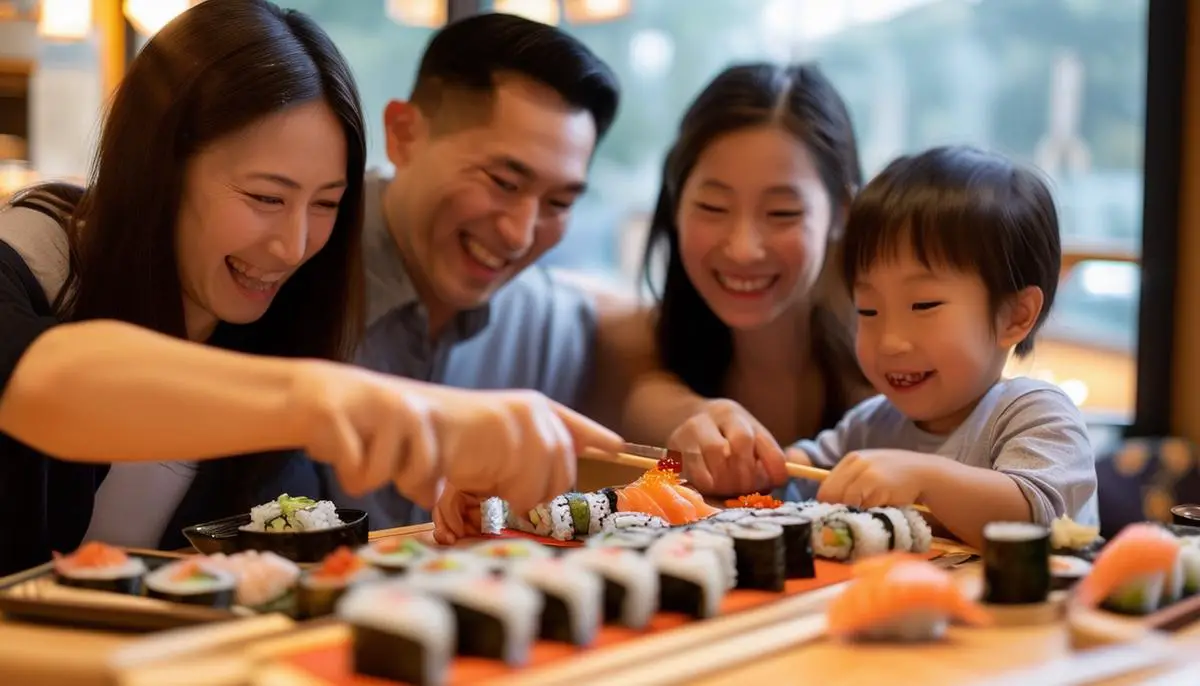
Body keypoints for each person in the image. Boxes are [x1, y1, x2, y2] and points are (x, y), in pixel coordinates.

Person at [0, 0, 620, 575]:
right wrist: (358, 402)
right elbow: (41, 382)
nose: (294, 247)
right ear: (158, 169)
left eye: (326, 203)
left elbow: (275, 561)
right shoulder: (32, 258)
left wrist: (438, 519)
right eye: (266, 197)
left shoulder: (271, 324)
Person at [328, 12, 622, 532]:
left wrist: (694, 410)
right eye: (503, 182)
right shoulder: (294, 264)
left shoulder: (541, 316)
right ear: (403, 134)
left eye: (557, 201)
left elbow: (632, 339)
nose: (519, 234)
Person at [783, 145, 1099, 549]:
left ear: (1015, 316)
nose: (891, 342)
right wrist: (758, 462)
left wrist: (923, 477)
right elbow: (800, 472)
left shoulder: (1036, 415)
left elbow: (1038, 518)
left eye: (924, 305)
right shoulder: (871, 425)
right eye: (868, 309)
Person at [613, 63, 876, 497]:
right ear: (677, 202)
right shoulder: (643, 344)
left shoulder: (892, 367)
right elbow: (648, 398)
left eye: (782, 213)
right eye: (714, 207)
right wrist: (692, 418)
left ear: (841, 212)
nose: (743, 248)